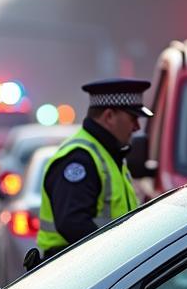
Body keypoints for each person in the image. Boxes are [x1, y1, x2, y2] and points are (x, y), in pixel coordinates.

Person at [36, 78, 151, 258]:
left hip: (94, 272)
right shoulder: (80, 159)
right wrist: (114, 255)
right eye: (133, 118)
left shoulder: (107, 154)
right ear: (109, 117)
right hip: (77, 273)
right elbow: (73, 223)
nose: (137, 127)